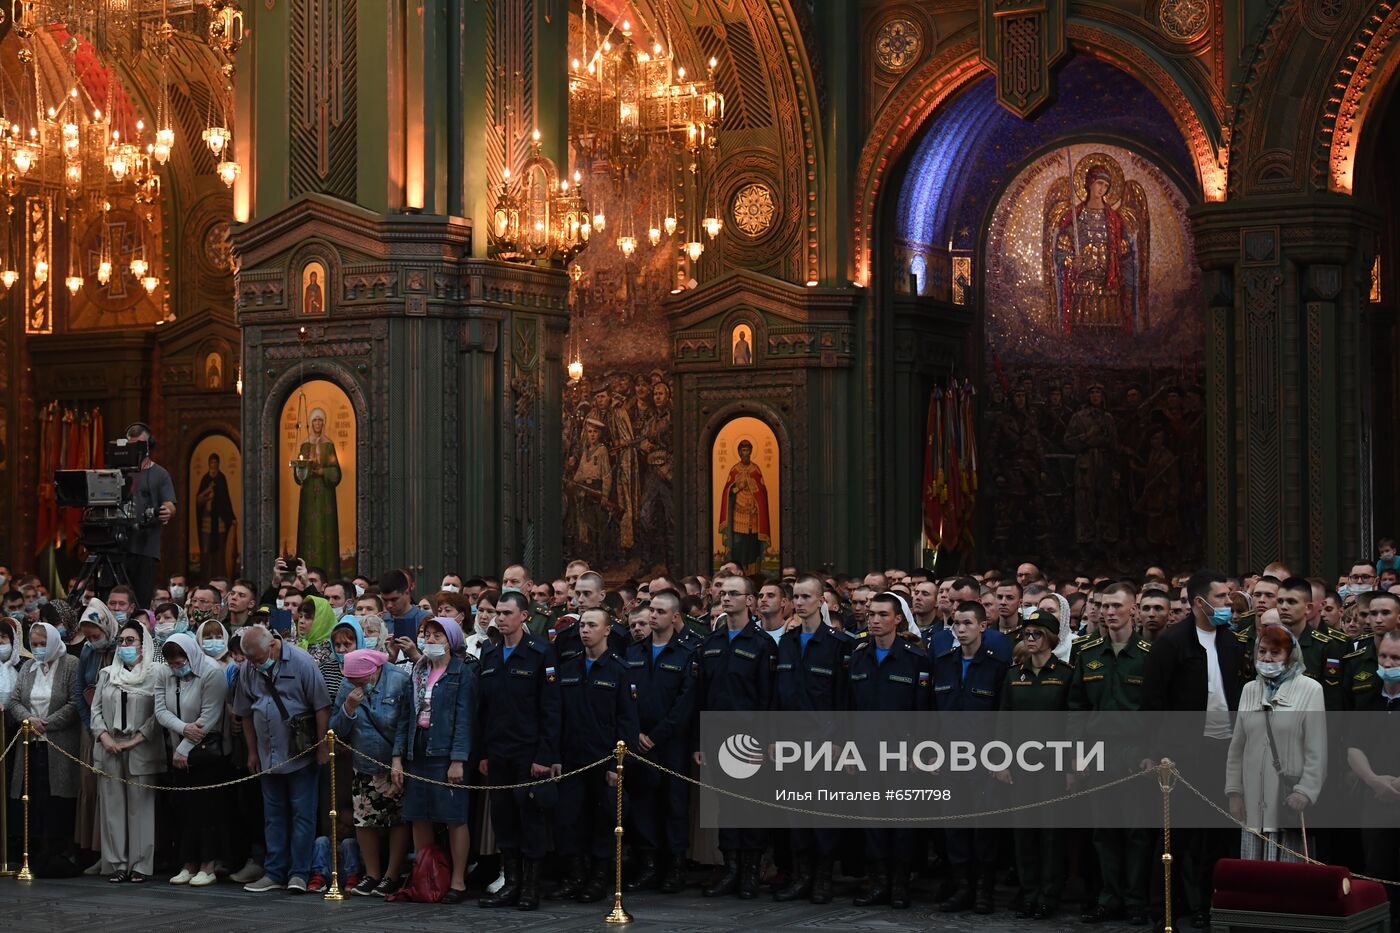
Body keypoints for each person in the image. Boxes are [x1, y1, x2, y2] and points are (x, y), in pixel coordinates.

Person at [1141, 569, 1245, 930]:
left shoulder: (1231, 641)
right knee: (1175, 837)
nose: (1228, 604)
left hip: (1224, 750)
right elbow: (1152, 702)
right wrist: (1154, 752)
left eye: (1229, 597)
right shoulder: (1172, 642)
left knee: (1217, 835)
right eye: (1221, 597)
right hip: (1181, 754)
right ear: (1199, 602)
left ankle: (1209, 904)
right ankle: (1163, 909)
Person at [1069, 582, 1153, 925]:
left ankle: (1135, 901)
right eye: (1104, 606)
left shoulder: (1150, 653)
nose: (1109, 612)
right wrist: (1076, 755)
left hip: (1135, 751)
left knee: (1136, 831)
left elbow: (1158, 711)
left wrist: (1153, 753)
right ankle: (1109, 898)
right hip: (1098, 750)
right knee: (1104, 831)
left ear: (1133, 609)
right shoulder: (1087, 652)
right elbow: (1076, 708)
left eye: (1117, 606)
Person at [846, 593, 932, 908]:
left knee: (902, 823)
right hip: (867, 754)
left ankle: (899, 885)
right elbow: (850, 709)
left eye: (883, 615)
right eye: (871, 614)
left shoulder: (914, 658)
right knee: (872, 822)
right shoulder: (858, 656)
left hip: (901, 755)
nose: (875, 620)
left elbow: (923, 711)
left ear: (897, 619)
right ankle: (878, 882)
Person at [475, 591, 560, 910]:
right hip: (498, 751)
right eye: (498, 612)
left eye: (507, 613)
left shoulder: (540, 652)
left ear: (524, 616)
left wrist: (545, 755)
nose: (500, 618)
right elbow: (485, 709)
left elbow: (551, 708)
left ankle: (530, 887)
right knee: (504, 818)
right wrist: (483, 752)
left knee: (530, 817)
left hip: (529, 751)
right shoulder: (491, 654)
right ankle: (510, 883)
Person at [772, 575, 853, 904]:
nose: (801, 602)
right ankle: (802, 876)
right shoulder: (787, 643)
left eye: (807, 596)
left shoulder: (838, 644)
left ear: (822, 601)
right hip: (790, 742)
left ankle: (822, 879)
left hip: (824, 743)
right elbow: (779, 696)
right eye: (797, 596)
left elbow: (844, 699)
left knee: (822, 814)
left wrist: (839, 742)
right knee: (795, 813)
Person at [694, 573, 775, 899]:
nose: (725, 599)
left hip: (750, 737)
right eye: (723, 593)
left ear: (749, 600)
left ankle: (750, 872)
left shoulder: (762, 644)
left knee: (750, 806)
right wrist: (699, 742)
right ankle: (730, 868)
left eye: (733, 594)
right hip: (716, 735)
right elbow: (702, 695)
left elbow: (768, 697)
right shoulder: (711, 643)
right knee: (726, 806)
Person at [234, 624, 332, 893]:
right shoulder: (247, 669)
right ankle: (274, 872)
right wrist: (252, 752)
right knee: (273, 815)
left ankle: (299, 873)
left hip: (300, 753)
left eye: (258, 659)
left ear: (273, 646)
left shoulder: (302, 662)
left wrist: (323, 746)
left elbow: (322, 706)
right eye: (250, 660)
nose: (255, 665)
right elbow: (244, 713)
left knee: (303, 814)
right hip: (267, 756)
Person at [553, 608, 639, 903]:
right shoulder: (569, 667)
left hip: (604, 760)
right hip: (573, 757)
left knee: (604, 821)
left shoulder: (619, 670)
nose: (584, 630)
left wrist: (619, 765)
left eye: (592, 625)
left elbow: (628, 722)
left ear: (606, 631)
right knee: (569, 818)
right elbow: (558, 715)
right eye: (582, 625)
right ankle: (575, 874)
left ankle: (599, 878)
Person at [1226, 623, 1327, 862]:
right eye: (1262, 651)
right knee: (1253, 873)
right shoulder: (1250, 689)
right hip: (1252, 799)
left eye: (1275, 652)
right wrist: (1234, 792)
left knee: (1287, 876)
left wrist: (1306, 791)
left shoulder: (1310, 689)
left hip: (1288, 801)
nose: (1267, 658)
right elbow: (1237, 747)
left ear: (1289, 656)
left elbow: (1317, 749)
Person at [392, 616, 476, 902]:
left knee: (454, 817)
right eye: (426, 634)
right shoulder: (417, 670)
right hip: (417, 752)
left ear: (451, 641)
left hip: (445, 753)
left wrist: (458, 759)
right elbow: (405, 716)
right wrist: (397, 758)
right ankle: (424, 876)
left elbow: (464, 719)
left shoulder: (462, 673)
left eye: (437, 636)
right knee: (419, 816)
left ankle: (457, 881)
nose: (430, 640)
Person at [933, 600, 1009, 913]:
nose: (961, 629)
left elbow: (1004, 716)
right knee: (954, 827)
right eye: (956, 624)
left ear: (983, 626)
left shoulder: (996, 667)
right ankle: (962, 886)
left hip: (984, 760)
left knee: (983, 829)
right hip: (950, 758)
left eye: (967, 623)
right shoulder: (943, 663)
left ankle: (983, 890)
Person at [997, 609, 1072, 919]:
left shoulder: (1066, 674)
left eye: (1036, 634)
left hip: (1053, 765)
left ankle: (1049, 895)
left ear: (1050, 639)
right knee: (1024, 832)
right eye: (1026, 634)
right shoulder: (1015, 675)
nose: (1029, 639)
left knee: (1052, 834)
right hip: (1021, 766)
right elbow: (1004, 720)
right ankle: (1029, 894)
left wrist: (1070, 766)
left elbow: (1072, 723)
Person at [624, 588, 698, 894]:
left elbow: (685, 704)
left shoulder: (687, 652)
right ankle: (649, 865)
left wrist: (655, 736)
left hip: (671, 743)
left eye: (660, 612)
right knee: (643, 805)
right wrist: (636, 733)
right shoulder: (634, 652)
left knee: (674, 805)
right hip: (638, 742)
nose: (653, 616)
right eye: (651, 610)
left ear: (675, 617)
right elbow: (625, 699)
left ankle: (675, 867)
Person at [330, 648, 411, 897]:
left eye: (360, 679)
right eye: (351, 680)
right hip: (364, 763)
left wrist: (398, 759)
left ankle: (391, 875)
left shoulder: (398, 680)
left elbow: (404, 724)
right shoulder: (347, 684)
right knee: (364, 819)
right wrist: (348, 707)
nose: (355, 683)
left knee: (397, 819)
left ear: (373, 670)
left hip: (393, 764)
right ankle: (372, 874)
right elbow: (336, 729)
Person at [90, 620, 164, 882]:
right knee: (112, 806)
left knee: (140, 808)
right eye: (121, 641)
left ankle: (140, 865)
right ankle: (116, 863)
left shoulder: (156, 673)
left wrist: (136, 740)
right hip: (110, 746)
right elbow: (95, 710)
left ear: (143, 645)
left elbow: (159, 713)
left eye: (130, 641)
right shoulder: (108, 673)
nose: (125, 646)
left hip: (140, 746)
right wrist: (104, 736)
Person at [155, 631, 229, 886]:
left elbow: (209, 717)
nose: (176, 668)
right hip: (177, 747)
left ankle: (208, 865)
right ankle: (188, 863)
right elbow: (160, 710)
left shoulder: (211, 673)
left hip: (205, 752)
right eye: (172, 664)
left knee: (206, 810)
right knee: (183, 810)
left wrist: (185, 747)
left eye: (179, 663)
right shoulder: (165, 674)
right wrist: (182, 730)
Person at [9, 620, 81, 873]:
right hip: (31, 743)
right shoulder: (28, 666)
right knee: (34, 797)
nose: (39, 649)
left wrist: (47, 723)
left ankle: (62, 853)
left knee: (58, 797)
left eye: (43, 644)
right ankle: (37, 852)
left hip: (59, 743)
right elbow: (15, 700)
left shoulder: (71, 664)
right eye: (35, 644)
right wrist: (29, 720)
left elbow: (75, 702)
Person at [120, 423, 176, 607]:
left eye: (140, 444)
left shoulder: (160, 474)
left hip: (146, 548)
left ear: (149, 445)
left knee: (142, 599)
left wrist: (168, 510)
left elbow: (169, 503)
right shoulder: (119, 472)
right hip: (118, 547)